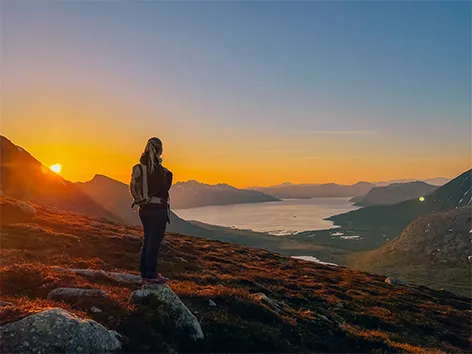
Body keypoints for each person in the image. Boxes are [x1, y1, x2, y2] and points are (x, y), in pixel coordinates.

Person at [130, 137, 173, 284]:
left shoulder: (142, 166)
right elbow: (163, 189)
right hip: (157, 209)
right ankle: (151, 274)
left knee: (148, 240)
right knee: (154, 242)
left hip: (144, 208)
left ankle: (144, 272)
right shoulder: (158, 170)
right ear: (160, 150)